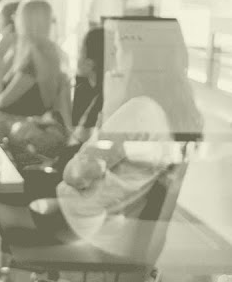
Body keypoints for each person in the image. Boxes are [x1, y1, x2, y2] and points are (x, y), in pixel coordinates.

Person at [52, 18, 203, 257]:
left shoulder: (140, 111)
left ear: (136, 58)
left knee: (4, 197)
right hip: (121, 232)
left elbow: (75, 174)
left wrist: (110, 110)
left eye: (118, 50)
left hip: (84, 228)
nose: (115, 59)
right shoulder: (180, 114)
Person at [0, 0, 67, 121]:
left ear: (25, 23)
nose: (15, 20)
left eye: (17, 16)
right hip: (21, 122)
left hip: (18, 124)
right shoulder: (47, 53)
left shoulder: (33, 62)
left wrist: (0, 57)